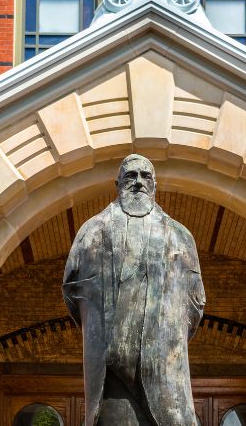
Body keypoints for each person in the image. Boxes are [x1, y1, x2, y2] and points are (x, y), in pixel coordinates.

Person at [63, 154, 206, 426]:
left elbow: (195, 302)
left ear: (154, 185)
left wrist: (168, 334)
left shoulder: (179, 235)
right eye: (131, 176)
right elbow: (72, 291)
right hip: (111, 364)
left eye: (145, 176)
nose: (138, 182)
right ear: (118, 183)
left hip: (163, 363)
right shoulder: (93, 230)